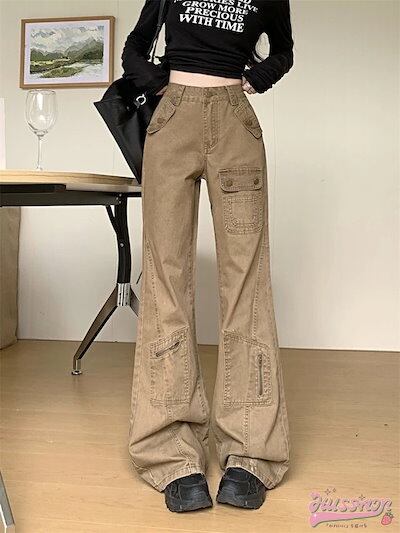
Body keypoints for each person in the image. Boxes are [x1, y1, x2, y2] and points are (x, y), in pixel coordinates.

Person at [121, 0, 294, 513]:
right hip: (172, 118)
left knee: (247, 285)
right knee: (165, 281)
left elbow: (283, 51)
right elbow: (135, 46)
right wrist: (159, 84)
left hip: (235, 121)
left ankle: (251, 452)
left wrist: (254, 80)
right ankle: (170, 451)